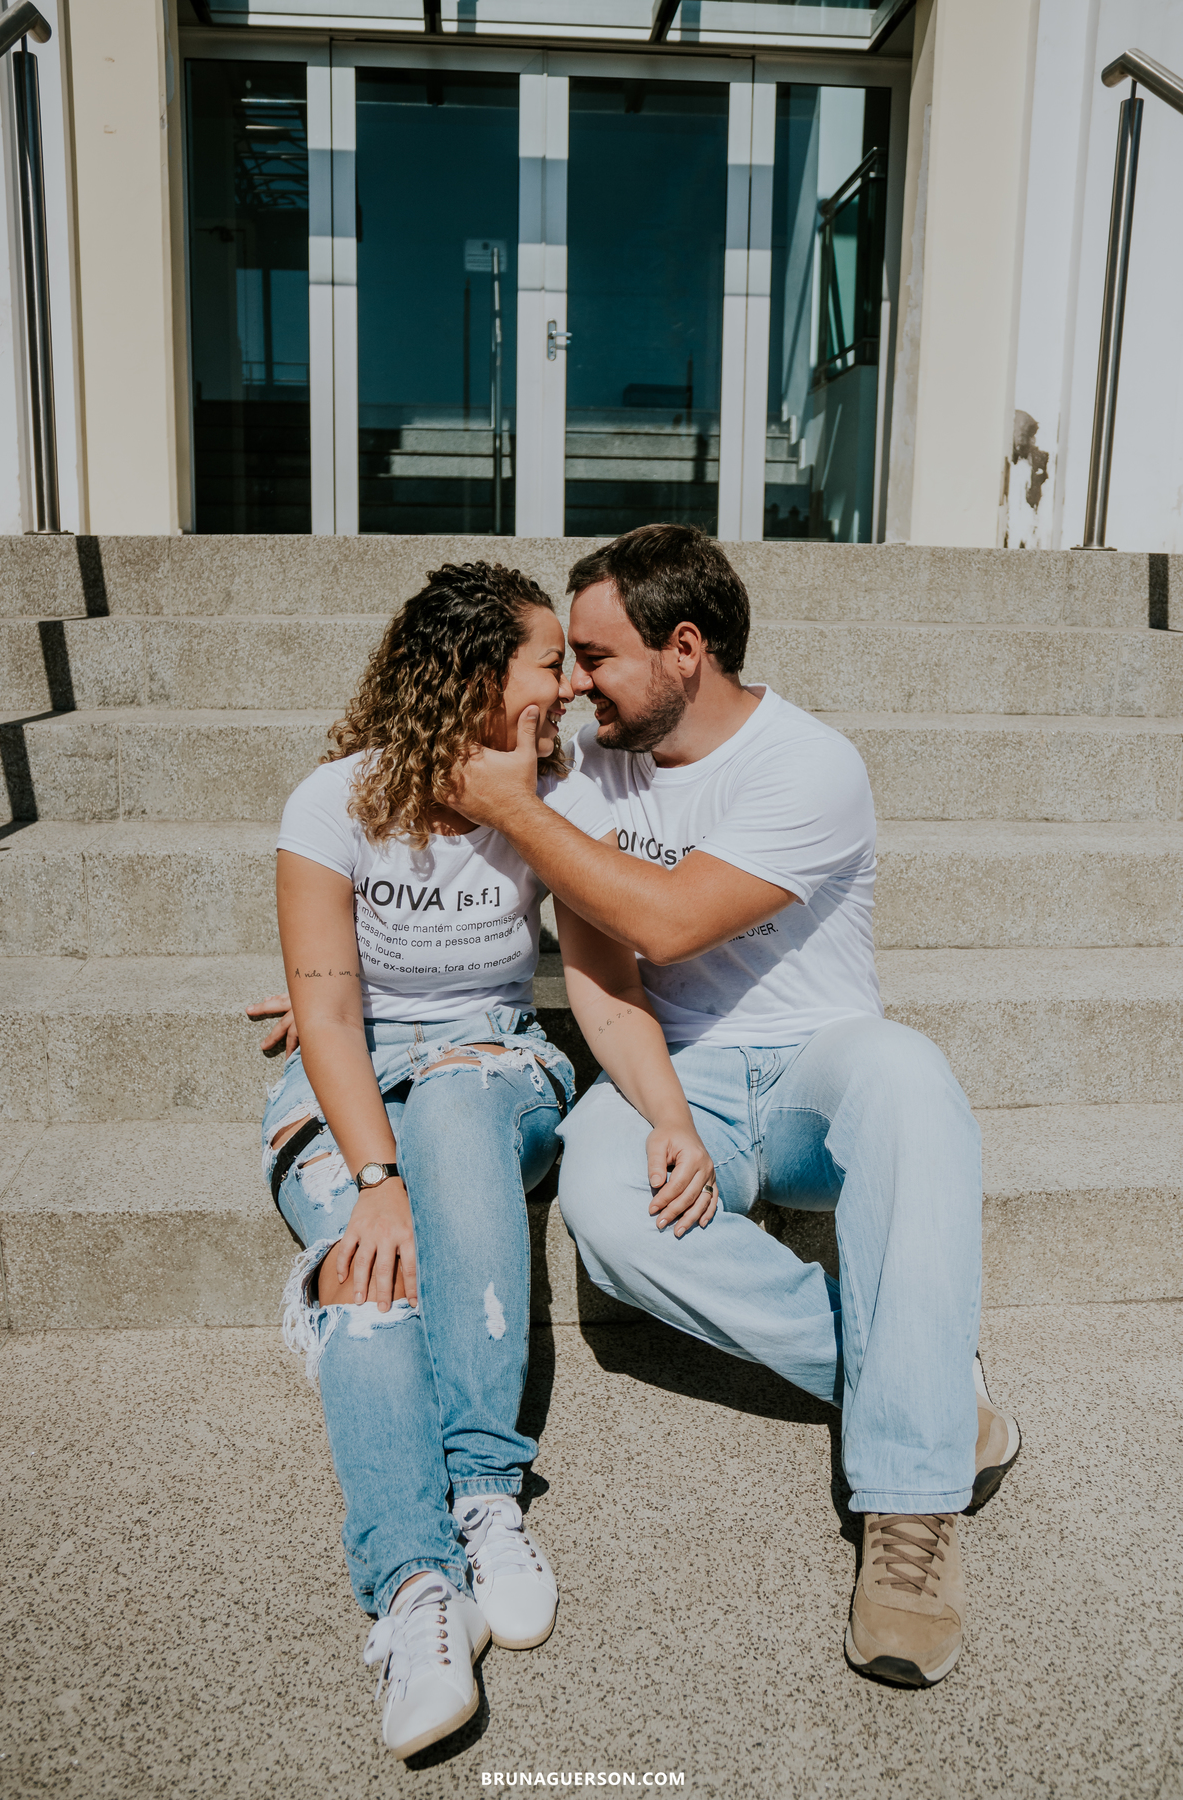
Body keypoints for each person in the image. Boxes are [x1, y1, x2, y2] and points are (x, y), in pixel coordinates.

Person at [447, 523, 1022, 1689]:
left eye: (596, 657)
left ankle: (911, 1518)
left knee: (912, 1078)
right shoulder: (590, 763)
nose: (572, 683)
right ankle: (926, 1396)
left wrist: (521, 813)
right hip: (682, 1074)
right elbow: (415, 817)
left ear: (687, 649)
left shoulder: (809, 764)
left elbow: (661, 922)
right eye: (566, 660)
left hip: (819, 1069)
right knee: (604, 1204)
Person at [260, 559, 718, 1759]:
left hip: (492, 1061)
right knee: (362, 1284)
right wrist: (374, 1181)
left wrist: (669, 1114)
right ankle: (417, 1589)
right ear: (471, 678)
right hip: (344, 1080)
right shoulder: (334, 802)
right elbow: (324, 1010)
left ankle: (485, 1492)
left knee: (461, 1104)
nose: (565, 686)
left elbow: (605, 991)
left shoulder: (557, 797)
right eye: (544, 663)